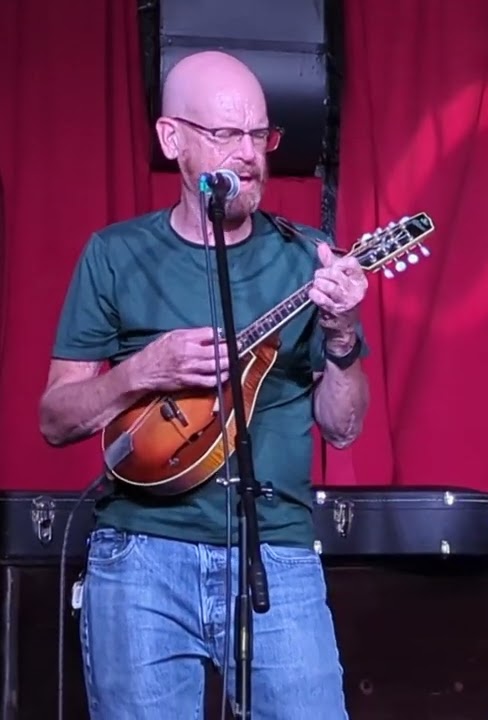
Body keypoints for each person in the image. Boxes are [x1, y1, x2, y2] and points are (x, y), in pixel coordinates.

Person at [38, 51, 366, 719]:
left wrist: (341, 335)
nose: (249, 155)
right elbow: (55, 418)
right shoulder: (115, 255)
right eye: (225, 134)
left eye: (260, 134)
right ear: (172, 139)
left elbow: (342, 425)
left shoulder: (307, 258)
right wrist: (142, 371)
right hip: (140, 558)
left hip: (274, 552)